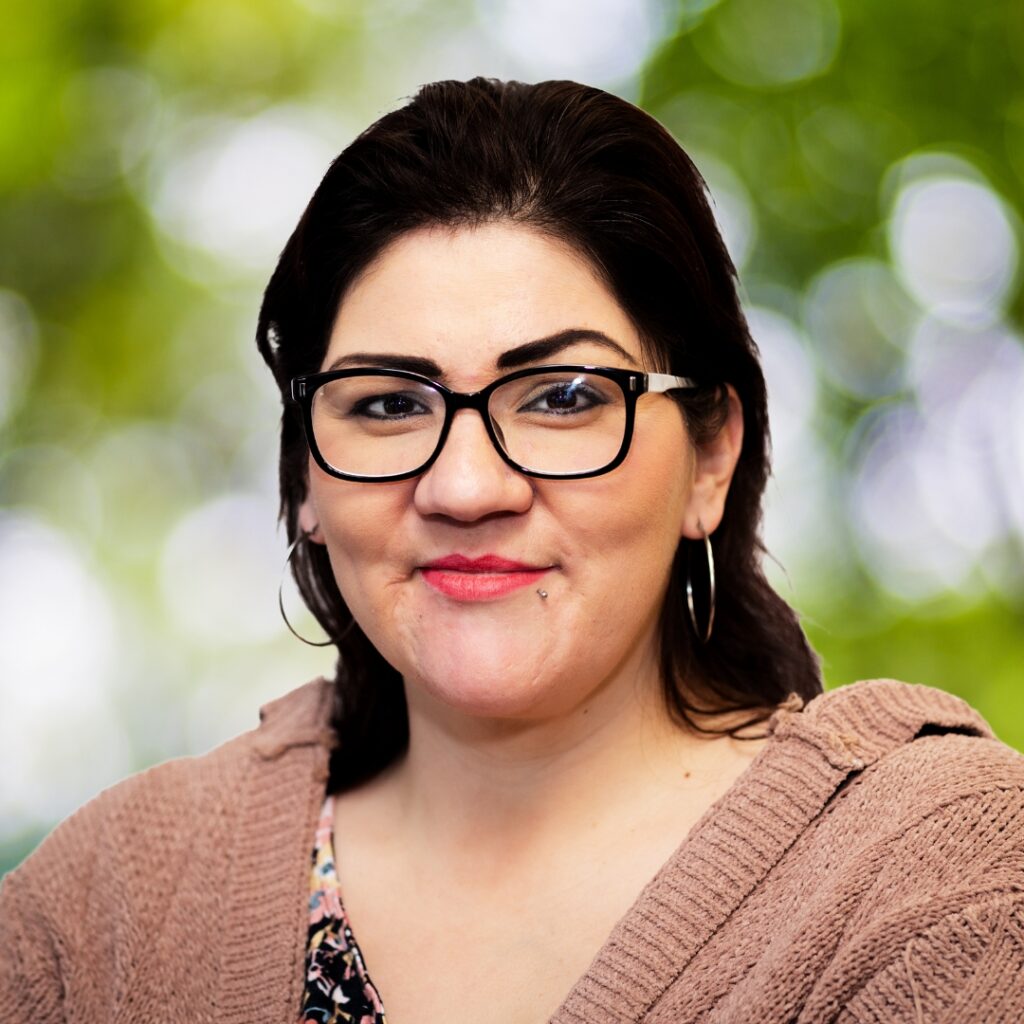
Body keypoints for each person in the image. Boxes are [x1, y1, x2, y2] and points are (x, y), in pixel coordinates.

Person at [2, 77, 1023, 1024]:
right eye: (389, 404)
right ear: (306, 476)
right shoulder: (105, 913)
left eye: (564, 398)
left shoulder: (934, 883)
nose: (464, 488)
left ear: (710, 456)